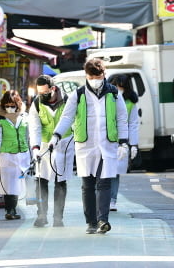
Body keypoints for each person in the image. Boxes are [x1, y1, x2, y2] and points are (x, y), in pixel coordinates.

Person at [50, 58, 128, 234]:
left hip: (107, 145)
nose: (95, 79)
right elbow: (67, 117)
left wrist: (124, 142)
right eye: (91, 76)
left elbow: (122, 119)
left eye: (98, 75)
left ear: (104, 74)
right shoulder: (78, 94)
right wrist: (56, 135)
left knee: (104, 182)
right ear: (86, 75)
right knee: (87, 185)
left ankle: (103, 220)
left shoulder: (114, 93)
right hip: (86, 145)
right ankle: (91, 222)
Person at [28, 75, 75, 228]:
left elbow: (73, 121)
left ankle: (58, 218)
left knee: (60, 181)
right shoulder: (36, 103)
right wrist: (35, 148)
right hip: (44, 145)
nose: (42, 96)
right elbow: (34, 127)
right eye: (40, 93)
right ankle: (41, 215)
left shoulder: (68, 101)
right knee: (41, 180)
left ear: (53, 89)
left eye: (45, 93)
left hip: (64, 144)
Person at [0, 90, 31, 220]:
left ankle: (12, 209)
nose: (10, 108)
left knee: (18, 182)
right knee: (8, 184)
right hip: (6, 155)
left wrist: (34, 152)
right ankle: (10, 210)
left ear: (18, 104)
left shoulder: (25, 117)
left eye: (12, 105)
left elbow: (29, 136)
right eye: (7, 105)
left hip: (22, 153)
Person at [109, 75, 140, 211]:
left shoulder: (130, 103)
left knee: (115, 173)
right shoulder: (106, 99)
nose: (118, 89)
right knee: (103, 172)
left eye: (121, 87)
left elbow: (133, 125)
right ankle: (102, 198)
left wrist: (133, 144)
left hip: (120, 142)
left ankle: (112, 200)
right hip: (106, 140)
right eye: (116, 86)